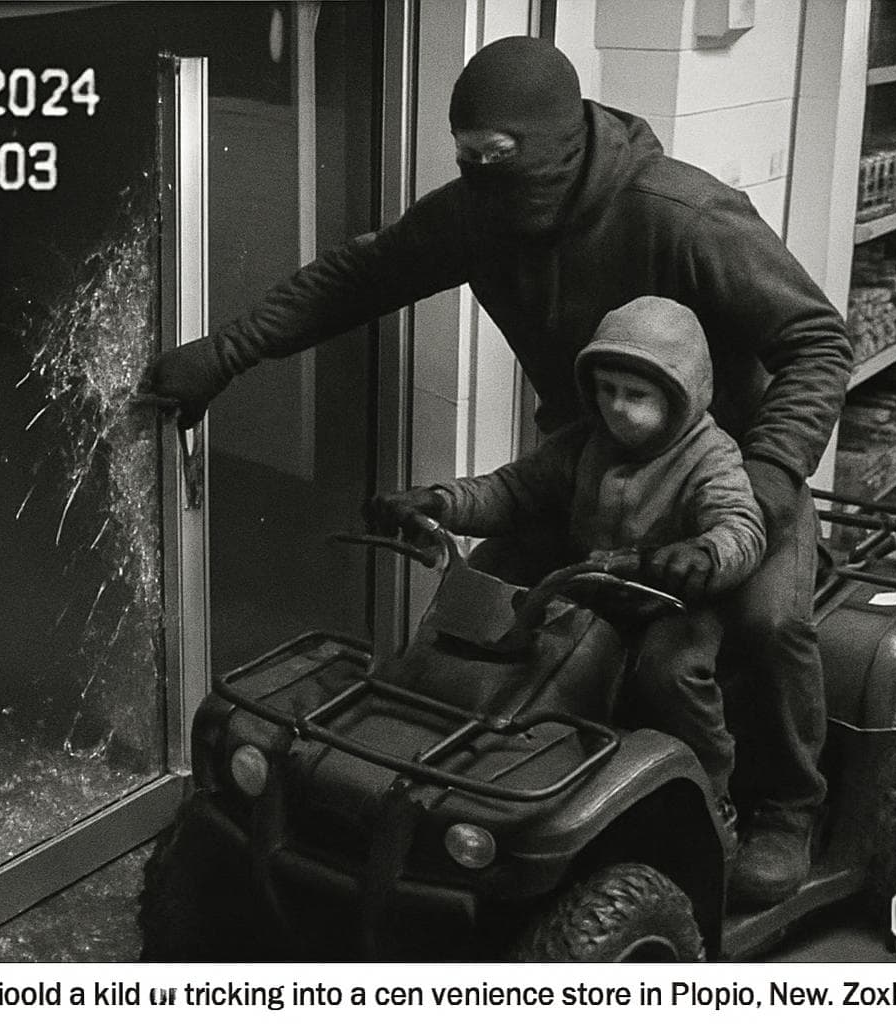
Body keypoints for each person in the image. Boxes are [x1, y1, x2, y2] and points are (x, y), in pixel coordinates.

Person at [137, 36, 853, 904]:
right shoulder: (480, 214)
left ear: (556, 140)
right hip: (585, 472)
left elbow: (818, 340)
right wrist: (229, 352)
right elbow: (356, 277)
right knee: (479, 622)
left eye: (499, 156)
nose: (480, 174)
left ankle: (784, 805)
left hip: (727, 478)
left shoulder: (683, 216)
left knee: (770, 625)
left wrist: (774, 480)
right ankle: (495, 806)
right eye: (466, 157)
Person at [370, 296, 764, 828]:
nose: (617, 408)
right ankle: (464, 743)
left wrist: (702, 555)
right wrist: (438, 501)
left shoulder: (711, 456)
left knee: (672, 676)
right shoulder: (585, 441)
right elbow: (513, 490)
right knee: (499, 594)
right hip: (590, 582)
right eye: (606, 390)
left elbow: (741, 525)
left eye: (637, 395)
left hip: (669, 598)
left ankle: (713, 792)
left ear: (681, 395)